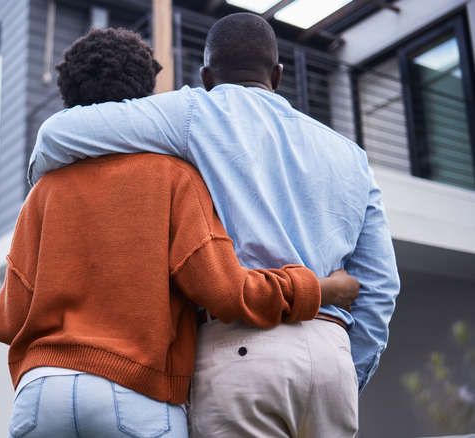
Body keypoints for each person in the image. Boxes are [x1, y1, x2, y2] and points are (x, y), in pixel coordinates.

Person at [28, 14, 401, 437]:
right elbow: (380, 285)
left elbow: (56, 136)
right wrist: (348, 369)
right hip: (332, 356)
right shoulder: (350, 155)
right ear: (277, 75)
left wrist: (45, 186)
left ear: (206, 75)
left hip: (240, 349)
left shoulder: (194, 112)